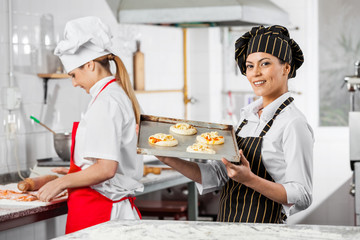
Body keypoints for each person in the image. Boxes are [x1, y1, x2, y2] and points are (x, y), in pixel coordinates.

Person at [157, 25, 313, 223]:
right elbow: (218, 175)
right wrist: (167, 158)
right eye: (249, 66)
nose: (255, 73)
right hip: (228, 227)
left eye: (265, 63)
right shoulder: (248, 118)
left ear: (287, 68)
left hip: (265, 232)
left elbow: (303, 194)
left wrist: (249, 179)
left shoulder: (293, 123)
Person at [37, 16, 144, 233]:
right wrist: (75, 171)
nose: (74, 83)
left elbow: (106, 169)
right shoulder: (112, 95)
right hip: (100, 209)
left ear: (90, 64)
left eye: (74, 75)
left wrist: (62, 182)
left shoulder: (107, 101)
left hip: (102, 213)